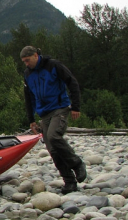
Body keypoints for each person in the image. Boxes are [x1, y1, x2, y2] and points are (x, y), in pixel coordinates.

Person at [20, 46, 87, 194]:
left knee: (54, 136)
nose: (26, 64)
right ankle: (69, 182)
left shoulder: (54, 66)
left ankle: (77, 163)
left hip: (60, 108)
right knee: (53, 151)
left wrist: (76, 106)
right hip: (43, 114)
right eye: (24, 61)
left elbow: (72, 82)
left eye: (28, 60)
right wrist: (31, 119)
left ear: (36, 55)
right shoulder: (27, 74)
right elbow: (28, 98)